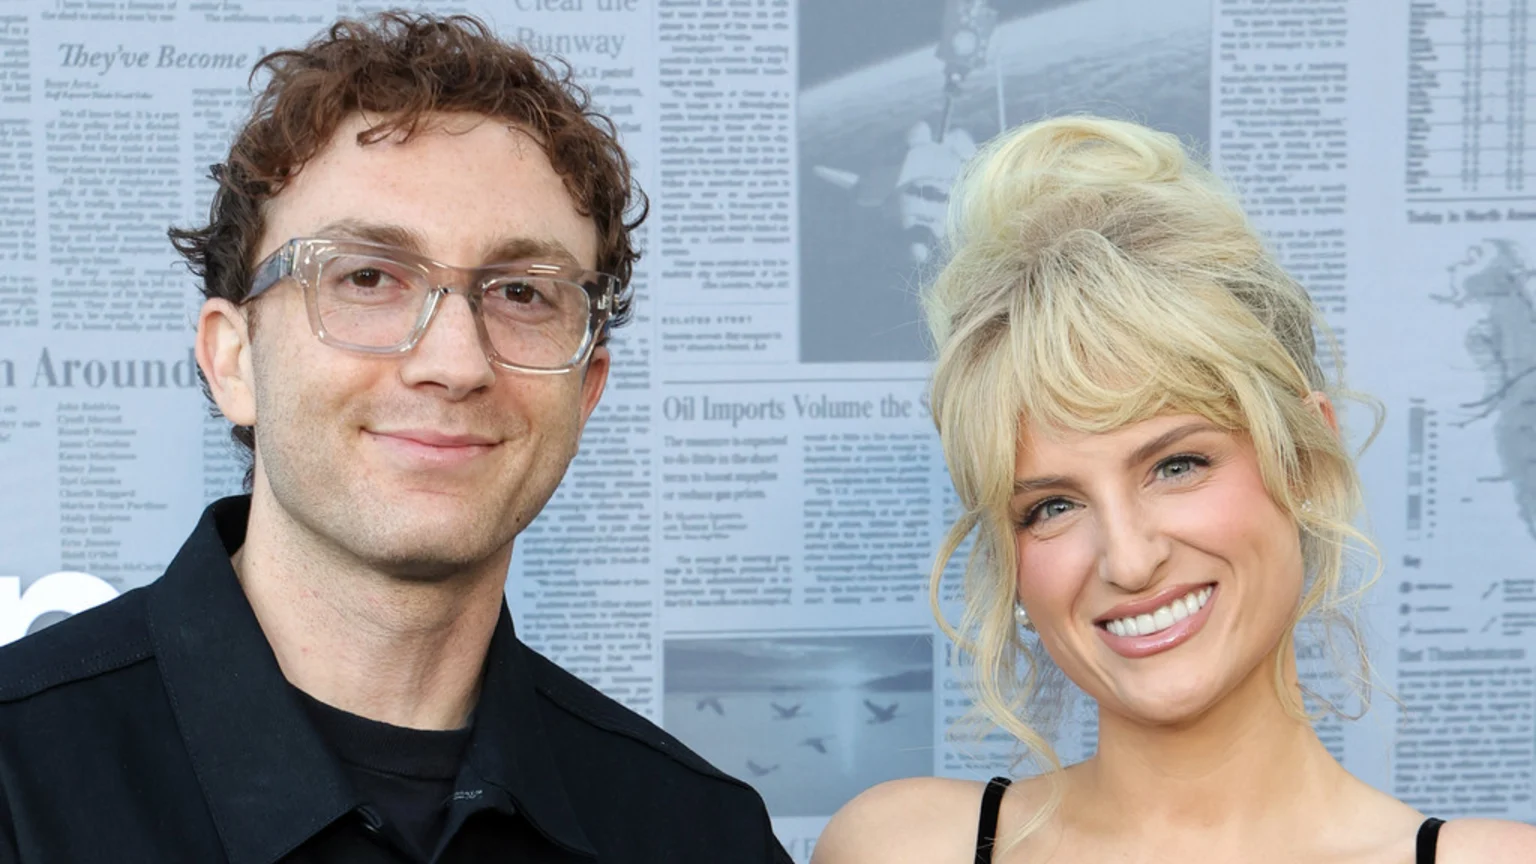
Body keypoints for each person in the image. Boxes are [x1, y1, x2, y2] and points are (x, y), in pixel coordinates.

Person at [0, 12, 790, 863]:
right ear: (234, 362)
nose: (454, 362)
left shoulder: (697, 833)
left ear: (587, 388)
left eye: (522, 293)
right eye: (367, 276)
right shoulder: (18, 782)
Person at [812, 116, 1536, 863]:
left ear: (1306, 461)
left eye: (1176, 465)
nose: (1128, 561)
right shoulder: (900, 848)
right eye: (1051, 507)